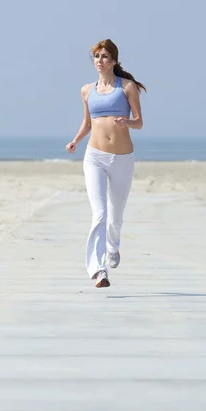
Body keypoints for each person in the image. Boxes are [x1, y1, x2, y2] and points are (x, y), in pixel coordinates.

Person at [66, 38, 146, 288]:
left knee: (115, 216)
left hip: (122, 158)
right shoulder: (86, 90)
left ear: (114, 61)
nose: (99, 61)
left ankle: (114, 247)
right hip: (94, 157)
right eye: (96, 57)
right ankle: (99, 270)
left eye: (104, 57)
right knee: (99, 213)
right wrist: (76, 141)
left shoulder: (127, 87)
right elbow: (88, 123)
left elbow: (139, 122)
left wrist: (128, 123)